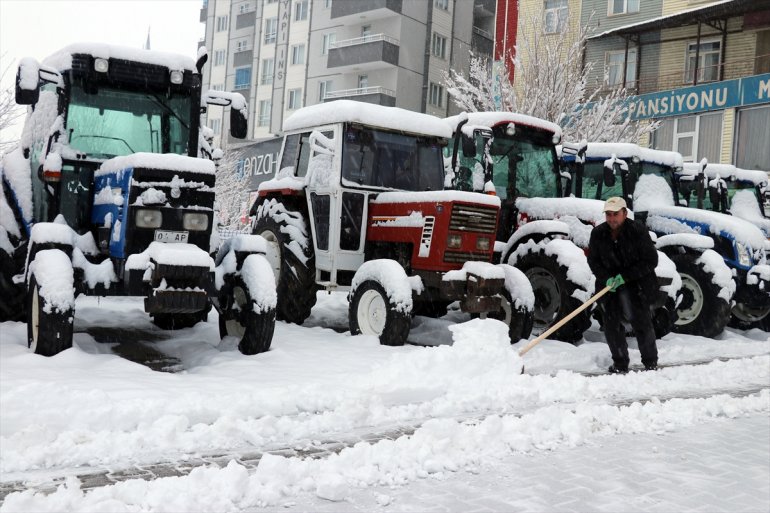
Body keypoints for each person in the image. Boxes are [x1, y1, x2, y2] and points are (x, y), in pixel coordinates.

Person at [588, 197, 659, 374]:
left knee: (641, 322)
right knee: (611, 325)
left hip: (636, 284)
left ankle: (650, 362)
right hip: (609, 285)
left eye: (616, 214)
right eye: (608, 215)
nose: (612, 219)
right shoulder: (598, 233)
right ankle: (620, 363)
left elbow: (651, 260)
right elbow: (593, 260)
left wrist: (625, 277)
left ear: (625, 213)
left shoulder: (638, 231)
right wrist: (606, 279)